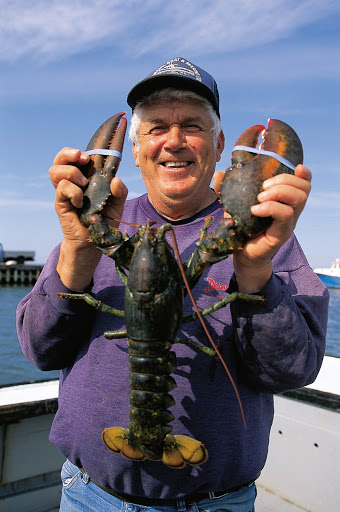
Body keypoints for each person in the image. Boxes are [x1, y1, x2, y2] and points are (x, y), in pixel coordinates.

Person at [17, 57, 329, 512]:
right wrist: (76, 252)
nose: (174, 141)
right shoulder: (96, 226)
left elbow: (292, 372)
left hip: (215, 503)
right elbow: (39, 350)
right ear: (138, 146)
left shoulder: (262, 236)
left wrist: (256, 274)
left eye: (192, 125)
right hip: (89, 495)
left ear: (220, 144)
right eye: (157, 126)